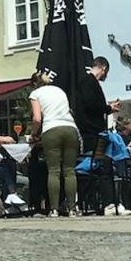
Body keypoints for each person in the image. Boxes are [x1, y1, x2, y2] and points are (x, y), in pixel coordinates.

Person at [28, 70, 79, 217]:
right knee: (69, 171)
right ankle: (72, 208)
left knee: (54, 171)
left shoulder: (35, 94)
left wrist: (33, 134)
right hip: (71, 128)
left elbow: (37, 119)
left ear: (34, 84)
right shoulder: (59, 90)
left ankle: (54, 209)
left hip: (52, 129)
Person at [78, 57, 122, 152]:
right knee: (92, 161)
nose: (106, 75)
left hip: (93, 131)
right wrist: (108, 108)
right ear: (104, 68)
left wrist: (109, 109)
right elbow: (91, 104)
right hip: (91, 131)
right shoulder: (88, 81)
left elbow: (95, 107)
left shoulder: (89, 82)